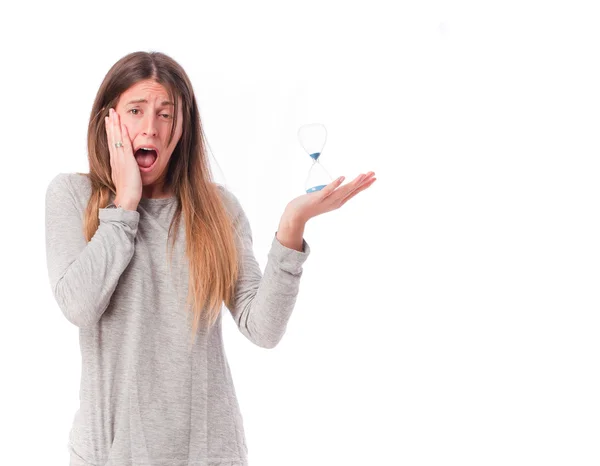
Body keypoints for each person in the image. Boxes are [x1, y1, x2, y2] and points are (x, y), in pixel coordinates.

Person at [44, 50, 376, 466]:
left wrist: (292, 225)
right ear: (109, 120)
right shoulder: (72, 197)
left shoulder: (218, 209)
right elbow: (79, 306)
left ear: (182, 127)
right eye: (135, 110)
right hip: (110, 455)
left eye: (166, 114)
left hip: (208, 454)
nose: (150, 127)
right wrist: (124, 205)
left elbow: (263, 328)